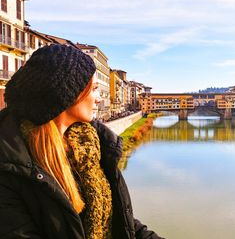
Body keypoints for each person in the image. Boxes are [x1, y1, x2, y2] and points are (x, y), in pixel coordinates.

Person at [0, 44, 164, 239]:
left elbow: (120, 220)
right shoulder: (10, 169)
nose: (98, 99)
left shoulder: (91, 146)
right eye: (94, 89)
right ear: (68, 95)